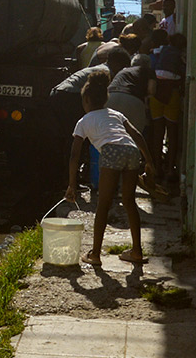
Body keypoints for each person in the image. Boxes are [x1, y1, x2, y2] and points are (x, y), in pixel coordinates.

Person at [64, 70, 156, 266]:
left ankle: (95, 254)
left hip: (112, 152)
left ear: (86, 100)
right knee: (129, 201)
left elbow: (74, 155)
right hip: (132, 151)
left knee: (103, 204)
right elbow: (137, 135)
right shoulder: (116, 114)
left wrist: (72, 184)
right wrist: (149, 161)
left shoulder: (84, 121)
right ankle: (137, 252)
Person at [49, 47, 130, 188]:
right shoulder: (106, 74)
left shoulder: (100, 68)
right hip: (69, 96)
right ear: (118, 64)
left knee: (71, 138)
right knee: (77, 138)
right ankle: (69, 180)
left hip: (60, 94)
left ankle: (67, 176)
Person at [149, 32, 187, 175]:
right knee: (172, 132)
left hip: (157, 91)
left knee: (157, 132)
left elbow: (153, 53)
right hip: (172, 91)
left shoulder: (162, 50)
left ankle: (156, 166)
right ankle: (171, 168)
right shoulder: (180, 55)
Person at [107, 55, 156, 133]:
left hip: (110, 97)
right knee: (134, 134)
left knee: (111, 132)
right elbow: (151, 90)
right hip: (132, 99)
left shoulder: (123, 70)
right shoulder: (148, 71)